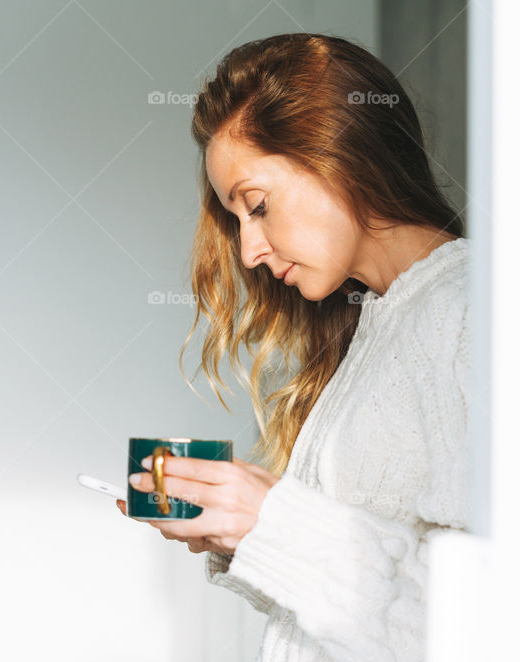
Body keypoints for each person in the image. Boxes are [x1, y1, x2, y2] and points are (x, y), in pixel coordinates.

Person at [116, 32, 469, 662]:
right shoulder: (374, 325)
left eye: (256, 206)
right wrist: (240, 534)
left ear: (340, 155)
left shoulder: (468, 314)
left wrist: (271, 522)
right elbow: (361, 612)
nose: (248, 251)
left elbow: (490, 623)